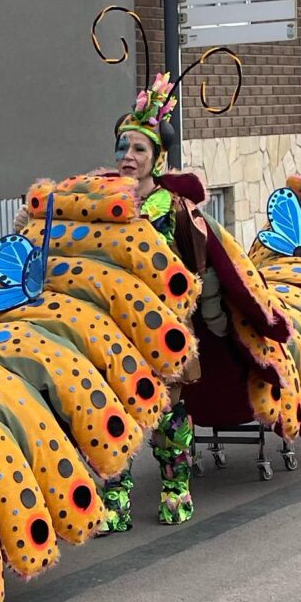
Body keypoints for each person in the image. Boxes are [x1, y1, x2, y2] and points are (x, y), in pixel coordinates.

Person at [98, 71, 201, 530]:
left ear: (158, 158)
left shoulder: (174, 208)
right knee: (111, 410)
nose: (127, 157)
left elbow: (195, 271)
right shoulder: (98, 204)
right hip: (110, 327)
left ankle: (175, 486)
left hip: (163, 327)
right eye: (122, 147)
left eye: (139, 148)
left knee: (165, 408)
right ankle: (116, 498)